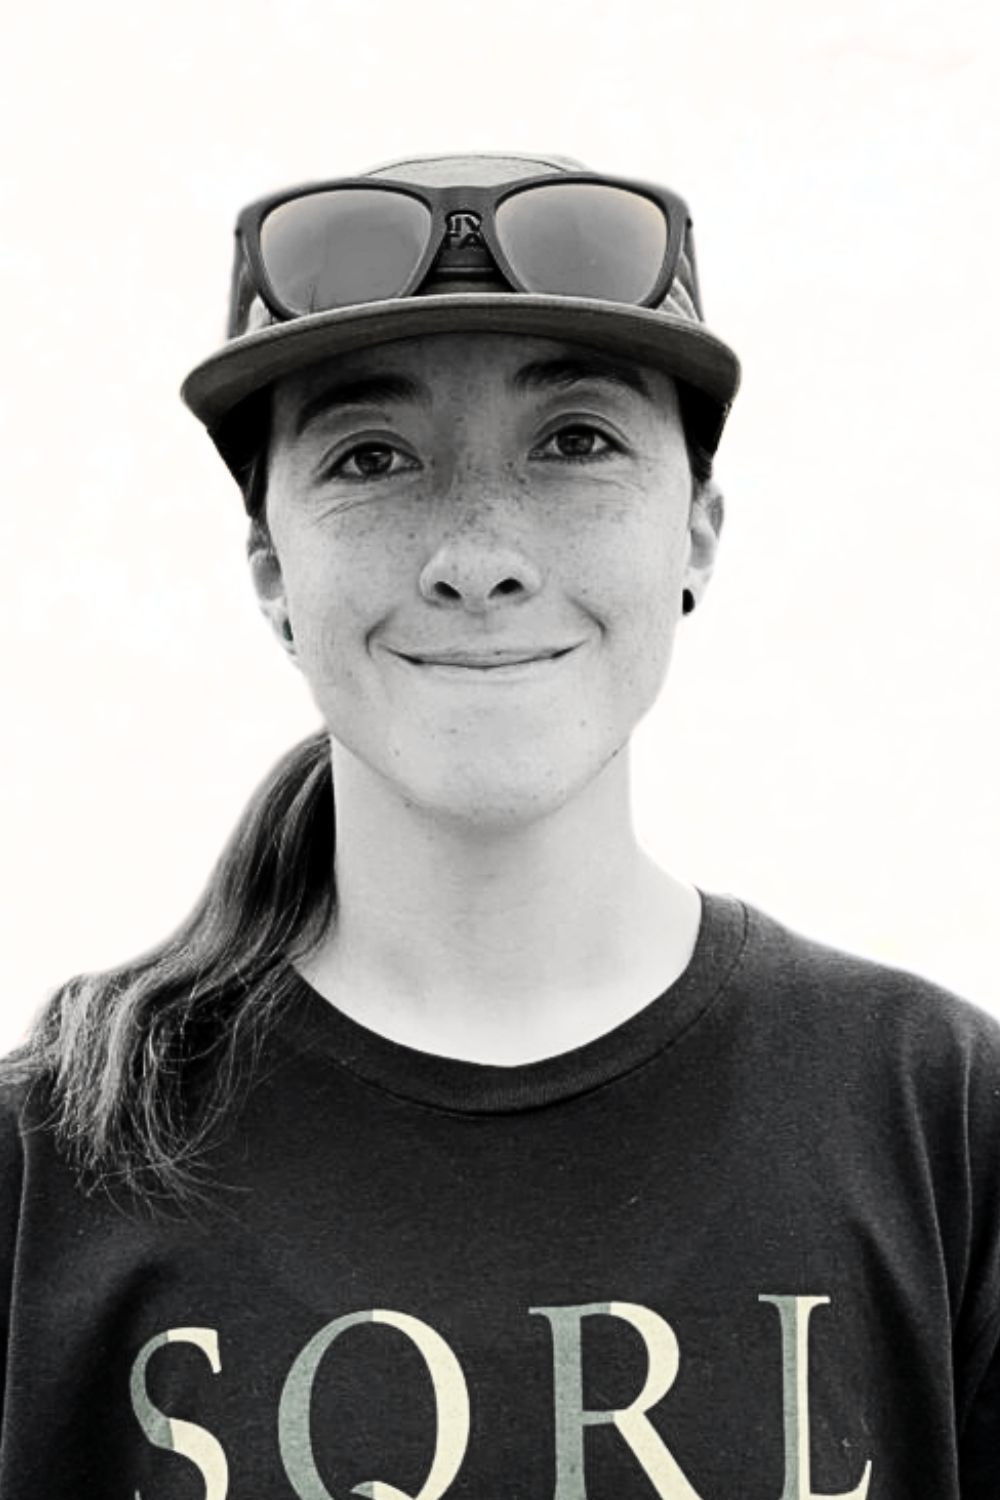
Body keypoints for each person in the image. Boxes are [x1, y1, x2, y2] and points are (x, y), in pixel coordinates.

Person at [0, 150, 996, 1497]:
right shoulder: (47, 1172)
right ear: (272, 573)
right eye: (371, 457)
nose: (477, 557)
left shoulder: (940, 1120)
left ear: (697, 533)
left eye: (576, 442)